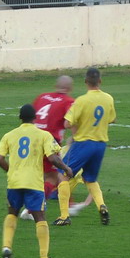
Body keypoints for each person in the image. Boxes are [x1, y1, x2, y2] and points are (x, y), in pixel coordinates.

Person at [0, 104, 74, 258]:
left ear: (20, 118)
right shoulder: (43, 135)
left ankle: (6, 247)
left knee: (12, 213)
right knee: (39, 217)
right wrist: (66, 168)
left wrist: (11, 172)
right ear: (35, 118)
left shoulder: (9, 135)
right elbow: (53, 159)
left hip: (14, 182)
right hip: (34, 183)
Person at [20, 75, 91, 219]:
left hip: (32, 138)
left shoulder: (42, 97)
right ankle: (31, 210)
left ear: (56, 86)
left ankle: (69, 205)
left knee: (50, 175)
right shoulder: (69, 101)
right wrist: (75, 137)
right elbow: (71, 121)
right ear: (70, 88)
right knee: (54, 176)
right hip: (49, 142)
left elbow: (31, 117)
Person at [54, 67, 116, 227]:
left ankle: (64, 216)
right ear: (100, 81)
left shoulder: (81, 100)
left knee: (63, 175)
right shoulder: (108, 98)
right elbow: (111, 119)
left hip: (83, 144)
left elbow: (67, 123)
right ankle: (101, 205)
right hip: (100, 145)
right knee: (90, 179)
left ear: (85, 82)